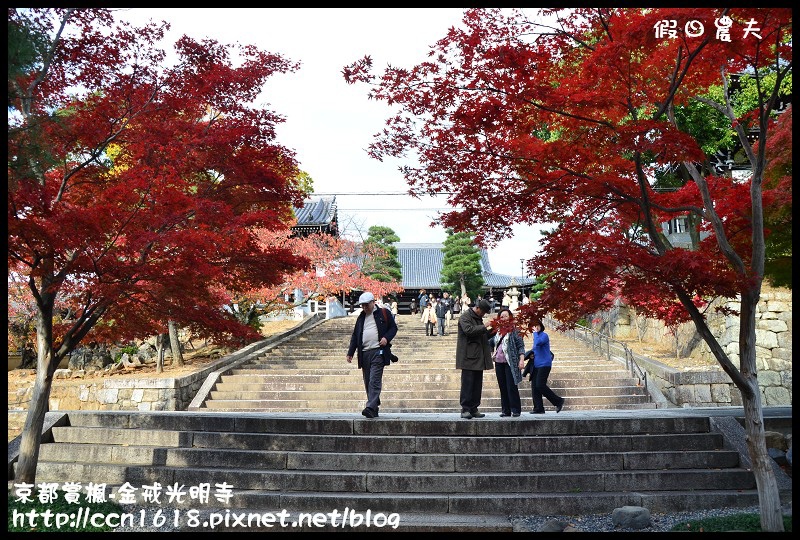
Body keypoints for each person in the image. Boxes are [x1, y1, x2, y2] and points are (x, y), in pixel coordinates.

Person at [346, 291, 398, 418]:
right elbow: (355, 335)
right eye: (362, 305)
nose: (364, 307)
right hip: (364, 353)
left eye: (366, 305)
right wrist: (350, 352)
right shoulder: (361, 317)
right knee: (368, 380)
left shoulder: (383, 313)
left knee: (374, 380)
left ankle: (369, 407)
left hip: (378, 352)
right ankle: (374, 407)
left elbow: (393, 328)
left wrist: (386, 338)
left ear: (373, 302)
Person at [455, 298, 493, 419]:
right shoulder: (465, 317)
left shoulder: (478, 318)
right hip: (468, 357)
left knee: (477, 384)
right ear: (478, 308)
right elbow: (469, 331)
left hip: (478, 357)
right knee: (468, 384)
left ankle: (474, 408)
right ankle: (465, 409)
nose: (483, 315)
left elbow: (484, 335)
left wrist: (495, 330)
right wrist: (485, 326)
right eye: (483, 312)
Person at [488, 307, 526, 417]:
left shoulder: (515, 330)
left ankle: (516, 409)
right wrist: (491, 354)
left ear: (510, 317)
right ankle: (506, 410)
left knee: (511, 386)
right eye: (502, 316)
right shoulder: (497, 330)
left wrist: (521, 360)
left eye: (506, 316)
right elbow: (490, 342)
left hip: (511, 362)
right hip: (499, 362)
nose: (504, 318)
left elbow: (520, 345)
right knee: (502, 386)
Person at [525, 321, 565, 414]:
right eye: (533, 326)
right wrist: (531, 356)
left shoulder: (544, 335)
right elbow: (536, 349)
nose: (535, 327)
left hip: (544, 364)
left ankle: (558, 401)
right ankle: (538, 408)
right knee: (535, 387)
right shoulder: (536, 337)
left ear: (541, 326)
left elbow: (538, 343)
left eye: (537, 325)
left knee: (540, 385)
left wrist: (535, 333)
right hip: (536, 365)